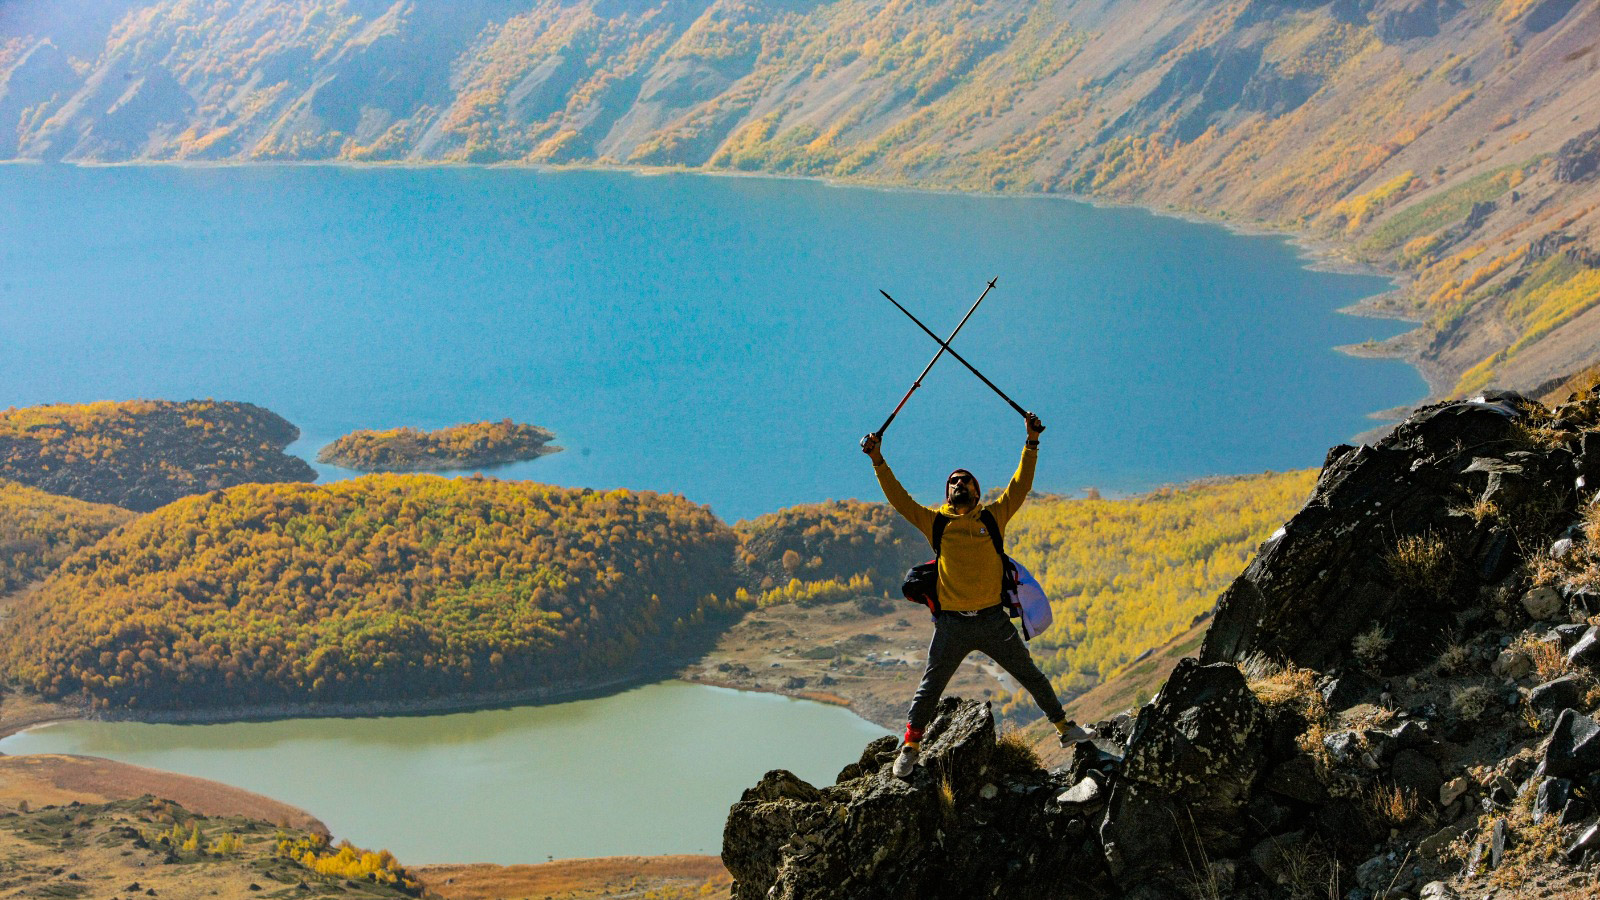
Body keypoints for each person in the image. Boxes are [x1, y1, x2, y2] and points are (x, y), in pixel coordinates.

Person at [861, 413, 1091, 778]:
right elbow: (900, 499)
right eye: (953, 481)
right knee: (929, 688)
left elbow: (1020, 486)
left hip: (991, 620)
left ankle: (1065, 729)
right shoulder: (936, 522)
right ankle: (910, 748)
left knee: (1030, 675)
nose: (958, 484)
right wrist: (877, 460)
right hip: (952, 625)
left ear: (976, 490)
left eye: (965, 481)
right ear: (946, 492)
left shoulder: (992, 519)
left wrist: (1031, 441)